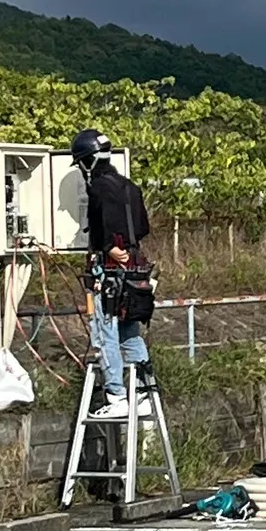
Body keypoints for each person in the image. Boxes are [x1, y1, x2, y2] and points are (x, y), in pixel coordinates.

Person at [73, 128, 154, 420]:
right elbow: (143, 226)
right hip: (135, 268)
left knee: (103, 331)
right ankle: (144, 392)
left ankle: (117, 394)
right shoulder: (131, 186)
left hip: (108, 271)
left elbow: (100, 225)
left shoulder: (98, 188)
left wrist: (107, 247)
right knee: (129, 331)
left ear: (87, 161)